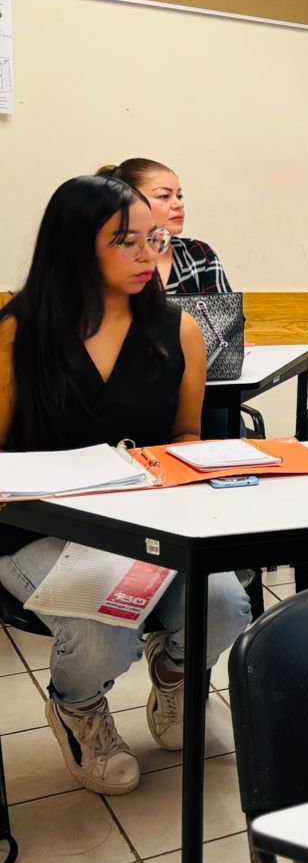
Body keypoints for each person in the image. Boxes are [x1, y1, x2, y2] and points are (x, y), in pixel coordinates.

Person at [0, 175, 252, 795]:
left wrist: (189, 470)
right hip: (38, 529)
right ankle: (78, 708)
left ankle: (175, 677)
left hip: (147, 525)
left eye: (153, 239)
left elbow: (186, 435)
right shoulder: (18, 331)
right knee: (104, 620)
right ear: (74, 246)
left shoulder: (178, 330)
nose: (148, 255)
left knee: (224, 603)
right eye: (125, 241)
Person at [100, 158, 231, 295]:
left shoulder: (197, 254)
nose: (179, 204)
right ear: (127, 202)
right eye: (164, 196)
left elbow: (224, 309)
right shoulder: (107, 258)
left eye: (179, 196)